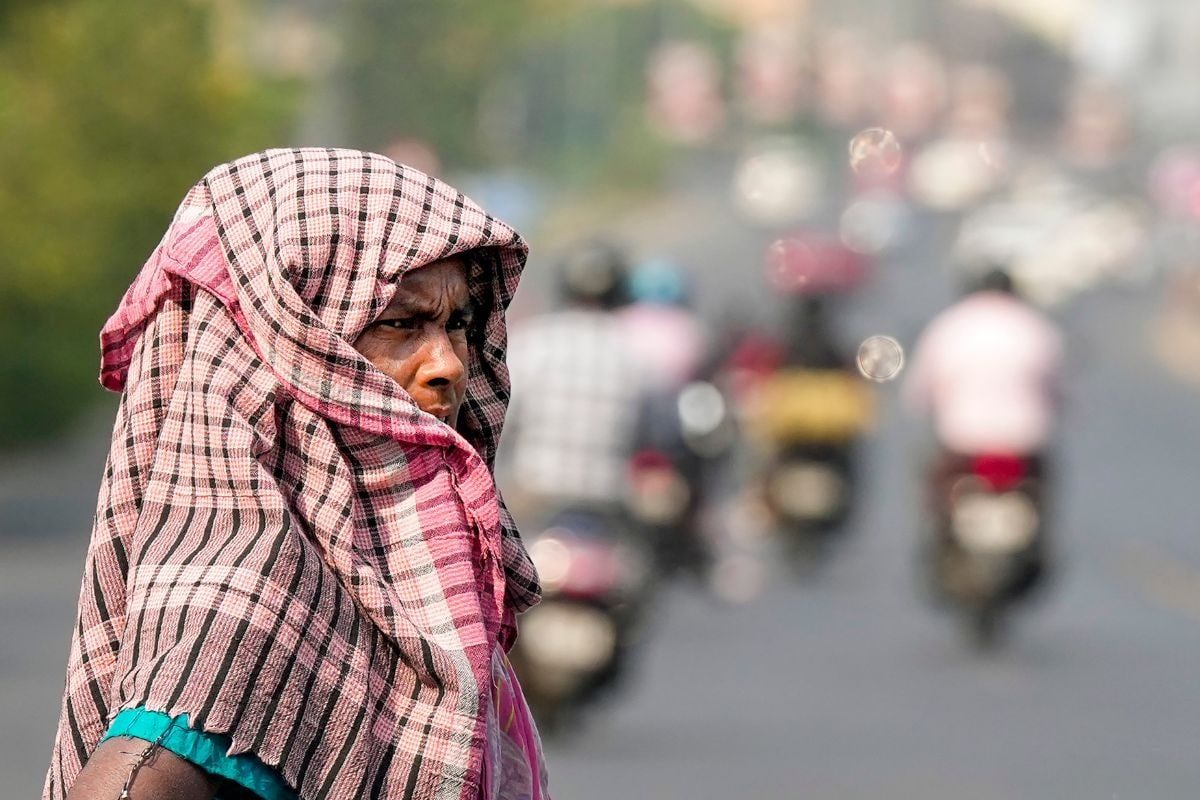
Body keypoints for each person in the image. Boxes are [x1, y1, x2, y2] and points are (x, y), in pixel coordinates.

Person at [46, 149, 549, 800]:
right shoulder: (241, 601)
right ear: (295, 352)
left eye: (457, 324)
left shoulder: (372, 586)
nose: (449, 365)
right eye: (402, 324)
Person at [501, 240, 645, 515]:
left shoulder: (532, 341)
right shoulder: (635, 350)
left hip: (535, 495)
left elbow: (500, 420)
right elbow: (654, 428)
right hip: (609, 499)